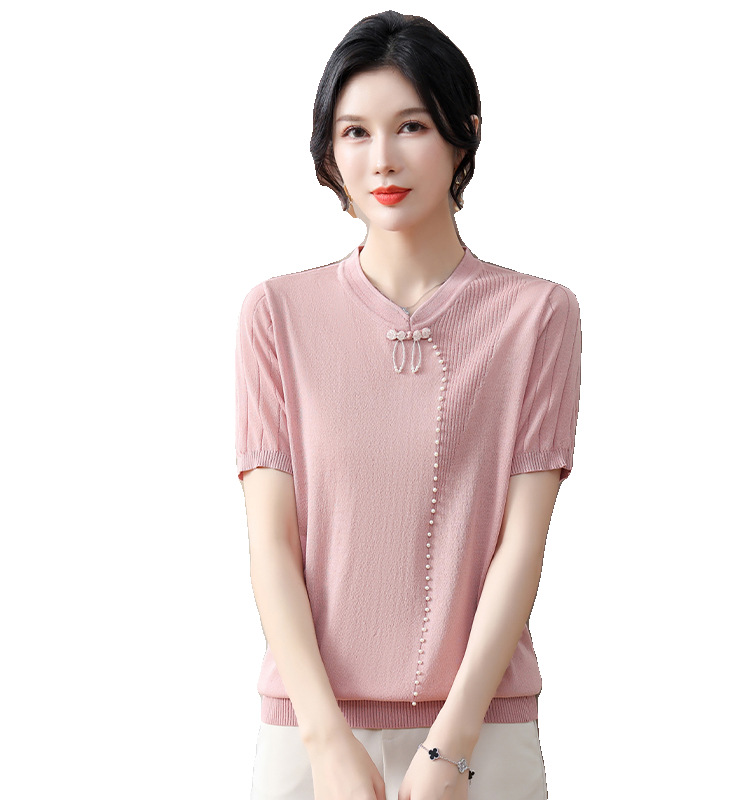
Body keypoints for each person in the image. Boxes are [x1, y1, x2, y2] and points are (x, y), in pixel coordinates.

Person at [235, 10, 581, 800]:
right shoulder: (276, 315)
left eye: (412, 126)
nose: (382, 158)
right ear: (329, 151)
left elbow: (521, 546)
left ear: (465, 134)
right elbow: (271, 546)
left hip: (481, 732)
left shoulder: (537, 316)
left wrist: (451, 749)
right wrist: (325, 739)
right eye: (354, 132)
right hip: (309, 731)